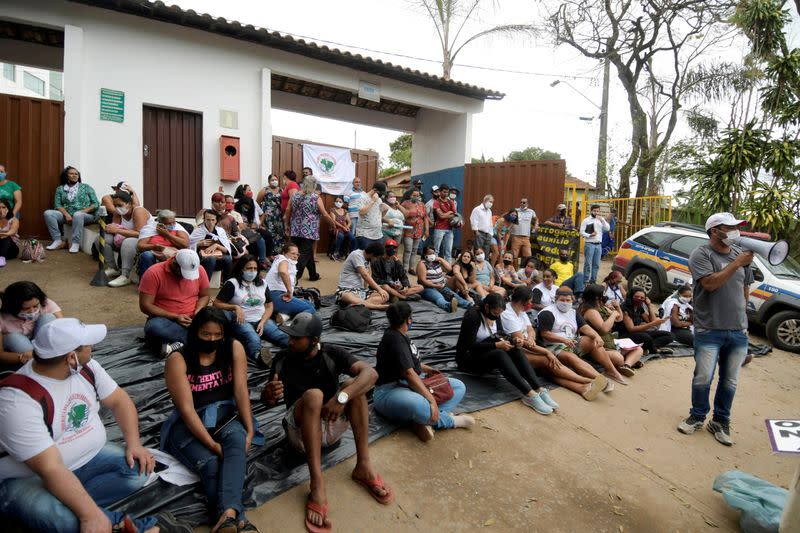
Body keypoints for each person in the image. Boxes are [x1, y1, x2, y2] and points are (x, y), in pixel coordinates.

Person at [0, 318, 187, 533]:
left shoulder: (86, 367)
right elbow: (49, 467)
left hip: (85, 461)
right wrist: (89, 515)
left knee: (139, 470)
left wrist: (134, 444)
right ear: (71, 357)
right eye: (88, 345)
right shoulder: (17, 402)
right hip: (27, 478)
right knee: (61, 520)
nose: (93, 348)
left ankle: (72, 503)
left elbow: (120, 401)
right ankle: (137, 526)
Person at [260, 312, 394, 532]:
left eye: (297, 338)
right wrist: (268, 394)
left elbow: (371, 374)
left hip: (329, 426)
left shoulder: (332, 353)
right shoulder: (282, 359)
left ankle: (364, 466)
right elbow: (268, 401)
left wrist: (343, 397)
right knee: (314, 395)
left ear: (314, 340)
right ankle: (317, 484)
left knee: (354, 387)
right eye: (290, 337)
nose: (290, 341)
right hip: (300, 435)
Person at [160, 308, 260, 533]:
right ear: (195, 332)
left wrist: (250, 429)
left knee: (237, 442)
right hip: (188, 425)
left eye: (217, 335)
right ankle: (239, 519)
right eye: (206, 334)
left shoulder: (233, 347)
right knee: (212, 463)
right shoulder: (178, 359)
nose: (212, 340)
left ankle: (228, 517)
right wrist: (212, 444)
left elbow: (241, 391)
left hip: (225, 416)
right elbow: (186, 410)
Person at [677, 212, 753, 446]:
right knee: (703, 377)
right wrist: (736, 263)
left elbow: (745, 287)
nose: (733, 231)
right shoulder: (701, 254)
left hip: (738, 330)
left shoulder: (741, 255)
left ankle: (720, 421)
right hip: (709, 328)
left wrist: (744, 321)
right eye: (727, 227)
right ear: (714, 231)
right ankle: (697, 416)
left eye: (735, 227)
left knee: (730, 380)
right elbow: (709, 284)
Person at [373, 302, 475, 441]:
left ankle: (425, 419)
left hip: (409, 385)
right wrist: (431, 400)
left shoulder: (401, 334)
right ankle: (450, 421)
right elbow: (408, 373)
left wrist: (427, 369)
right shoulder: (394, 339)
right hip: (388, 391)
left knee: (458, 386)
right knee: (420, 404)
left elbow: (408, 363)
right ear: (408, 319)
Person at [456, 293, 557, 414]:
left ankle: (538, 388)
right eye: (495, 313)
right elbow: (469, 346)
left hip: (485, 350)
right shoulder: (473, 317)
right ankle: (528, 394)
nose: (497, 316)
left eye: (499, 314)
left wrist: (513, 341)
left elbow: (499, 335)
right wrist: (496, 345)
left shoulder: (496, 315)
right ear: (487, 307)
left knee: (514, 349)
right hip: (468, 358)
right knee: (500, 353)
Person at [502, 287, 605, 401]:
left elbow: (530, 329)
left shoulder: (520, 310)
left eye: (568, 300)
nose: (531, 304)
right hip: (517, 350)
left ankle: (582, 388)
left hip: (529, 346)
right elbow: (522, 342)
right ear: (523, 301)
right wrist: (546, 352)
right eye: (530, 301)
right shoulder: (508, 314)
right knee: (548, 360)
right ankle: (586, 380)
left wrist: (531, 338)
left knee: (548, 372)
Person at [537, 286, 629, 386]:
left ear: (572, 299)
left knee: (592, 340)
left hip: (571, 342)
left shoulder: (573, 312)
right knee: (570, 357)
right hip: (554, 346)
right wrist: (563, 340)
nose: (565, 302)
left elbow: (585, 328)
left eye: (568, 300)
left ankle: (612, 372)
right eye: (562, 300)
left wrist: (596, 336)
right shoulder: (547, 312)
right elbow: (545, 334)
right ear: (556, 299)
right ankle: (599, 379)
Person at [213, 255, 289, 365]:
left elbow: (269, 306)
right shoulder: (232, 283)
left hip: (261, 318)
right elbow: (216, 303)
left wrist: (263, 322)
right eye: (248, 268)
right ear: (241, 269)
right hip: (241, 321)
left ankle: (300, 349)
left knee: (278, 335)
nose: (252, 271)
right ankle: (259, 357)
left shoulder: (262, 283)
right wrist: (235, 307)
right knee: (252, 337)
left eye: (255, 269)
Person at [139, 249, 211, 357]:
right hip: (166, 320)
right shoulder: (153, 272)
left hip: (193, 319)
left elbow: (205, 295)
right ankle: (198, 341)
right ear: (175, 264)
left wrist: (198, 311)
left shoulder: (199, 269)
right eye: (184, 273)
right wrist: (175, 316)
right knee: (154, 327)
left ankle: (182, 344)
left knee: (221, 318)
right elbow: (145, 305)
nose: (186, 277)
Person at [579, 284, 645, 374]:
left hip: (610, 343)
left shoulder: (601, 307)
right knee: (618, 358)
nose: (605, 297)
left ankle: (627, 365)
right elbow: (604, 328)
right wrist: (613, 314)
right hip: (599, 348)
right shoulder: (591, 311)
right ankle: (626, 362)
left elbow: (619, 319)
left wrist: (617, 308)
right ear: (596, 297)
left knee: (638, 349)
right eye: (603, 295)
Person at [0, 281, 63, 369]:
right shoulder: (2, 317)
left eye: (35, 306)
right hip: (19, 350)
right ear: (12, 307)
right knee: (13, 338)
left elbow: (64, 328)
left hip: (41, 343)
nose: (32, 311)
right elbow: (1, 354)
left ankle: (45, 359)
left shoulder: (45, 303)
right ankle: (42, 363)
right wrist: (22, 357)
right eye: (26, 308)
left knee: (48, 317)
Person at [98, 191, 152, 287]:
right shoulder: (117, 212)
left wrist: (117, 231)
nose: (117, 208)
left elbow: (141, 234)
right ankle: (113, 268)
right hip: (124, 239)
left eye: (120, 205)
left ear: (129, 204)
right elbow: (115, 230)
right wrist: (109, 229)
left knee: (128, 242)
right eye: (115, 205)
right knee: (100, 239)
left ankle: (125, 275)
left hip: (145, 241)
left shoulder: (138, 211)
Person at [44, 166, 99, 253]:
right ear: (66, 176)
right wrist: (67, 215)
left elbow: (96, 204)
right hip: (68, 216)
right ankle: (57, 240)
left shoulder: (86, 187)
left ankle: (75, 243)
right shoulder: (60, 189)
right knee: (48, 213)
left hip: (86, 216)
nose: (74, 175)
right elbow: (57, 205)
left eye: (76, 174)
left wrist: (83, 211)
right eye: (71, 173)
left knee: (78, 214)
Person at [616, 287, 675, 355]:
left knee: (670, 335)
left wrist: (649, 305)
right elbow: (631, 329)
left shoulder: (639, 307)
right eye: (636, 297)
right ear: (631, 296)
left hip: (639, 333)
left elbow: (652, 320)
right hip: (625, 335)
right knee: (646, 337)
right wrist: (652, 324)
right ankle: (654, 350)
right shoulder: (625, 308)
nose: (639, 299)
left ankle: (648, 348)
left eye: (642, 298)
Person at [265, 243, 316, 318]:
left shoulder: (283, 260)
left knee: (310, 303)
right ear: (284, 253)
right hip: (274, 296)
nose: (295, 256)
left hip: (276, 295)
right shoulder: (283, 259)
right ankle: (291, 325)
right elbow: (283, 272)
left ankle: (283, 316)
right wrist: (289, 291)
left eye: (297, 254)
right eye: (292, 253)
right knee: (310, 309)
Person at [336, 242, 390, 310]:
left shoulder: (367, 260)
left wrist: (367, 290)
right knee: (347, 296)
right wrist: (379, 289)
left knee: (386, 296)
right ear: (372, 254)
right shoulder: (356, 255)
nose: (376, 260)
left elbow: (366, 278)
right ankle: (375, 306)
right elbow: (365, 275)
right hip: (347, 289)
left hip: (360, 291)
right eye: (377, 258)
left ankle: (359, 305)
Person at [416, 246, 471, 313]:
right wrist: (435, 286)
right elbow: (422, 280)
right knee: (438, 297)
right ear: (425, 255)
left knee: (454, 295)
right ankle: (448, 306)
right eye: (430, 254)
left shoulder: (436, 262)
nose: (432, 255)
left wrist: (441, 259)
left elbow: (450, 269)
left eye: (433, 253)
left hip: (441, 286)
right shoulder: (422, 264)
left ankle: (469, 305)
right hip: (428, 288)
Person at [137, 209, 190, 277]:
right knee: (146, 255)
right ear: (160, 222)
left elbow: (185, 244)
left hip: (172, 254)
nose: (172, 225)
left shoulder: (178, 228)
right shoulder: (150, 228)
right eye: (168, 223)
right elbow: (140, 245)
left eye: (173, 222)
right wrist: (153, 246)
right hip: (154, 253)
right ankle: (146, 282)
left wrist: (167, 235)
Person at [190, 209, 234, 282]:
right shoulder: (198, 231)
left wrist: (217, 245)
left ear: (216, 220)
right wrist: (198, 244)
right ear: (204, 220)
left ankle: (226, 282)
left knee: (228, 258)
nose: (210, 222)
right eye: (208, 220)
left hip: (218, 258)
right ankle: (205, 285)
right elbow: (189, 245)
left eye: (213, 220)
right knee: (210, 259)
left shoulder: (220, 231)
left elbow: (227, 250)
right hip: (202, 260)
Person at [579, 204, 610, 284]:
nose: (596, 212)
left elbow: (607, 228)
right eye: (594, 211)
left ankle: (593, 280)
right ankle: (586, 280)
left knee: (596, 264)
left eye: (597, 211)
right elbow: (581, 232)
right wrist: (589, 235)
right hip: (589, 244)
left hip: (598, 245)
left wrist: (602, 220)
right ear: (591, 211)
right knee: (588, 264)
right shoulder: (586, 220)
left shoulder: (601, 220)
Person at [352, 180, 387, 250]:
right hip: (365, 235)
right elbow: (361, 212)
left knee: (377, 258)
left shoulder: (379, 199)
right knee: (365, 258)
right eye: (381, 193)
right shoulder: (362, 197)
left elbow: (380, 215)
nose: (382, 195)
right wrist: (373, 201)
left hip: (378, 234)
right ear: (375, 190)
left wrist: (385, 210)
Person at [400, 187, 428, 274]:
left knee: (414, 250)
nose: (416, 196)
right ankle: (404, 268)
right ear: (410, 195)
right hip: (408, 230)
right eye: (414, 195)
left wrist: (427, 230)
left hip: (419, 231)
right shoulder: (405, 203)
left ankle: (411, 268)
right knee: (408, 249)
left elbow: (425, 217)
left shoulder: (422, 205)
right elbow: (400, 215)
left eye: (418, 195)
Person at [257, 173, 285, 255]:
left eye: (276, 179)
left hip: (278, 217)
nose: (274, 181)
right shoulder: (264, 190)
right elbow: (257, 204)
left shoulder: (281, 190)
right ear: (269, 181)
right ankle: (269, 254)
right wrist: (260, 218)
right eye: (272, 180)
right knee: (269, 235)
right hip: (267, 219)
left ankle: (278, 254)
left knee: (279, 235)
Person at [432, 184, 457, 263]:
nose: (446, 194)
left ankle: (448, 268)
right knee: (436, 250)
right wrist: (449, 212)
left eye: (447, 192)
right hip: (439, 228)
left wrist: (447, 214)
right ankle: (434, 266)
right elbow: (441, 216)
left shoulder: (451, 202)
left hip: (449, 229)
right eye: (444, 192)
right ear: (439, 192)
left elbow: (455, 215)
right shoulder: (436, 202)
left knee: (448, 251)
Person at [511, 197, 538, 268]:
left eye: (524, 202)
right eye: (521, 202)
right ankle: (516, 271)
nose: (522, 203)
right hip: (516, 236)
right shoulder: (516, 210)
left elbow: (536, 219)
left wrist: (536, 226)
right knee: (515, 256)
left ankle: (525, 271)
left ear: (527, 204)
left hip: (526, 237)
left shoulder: (531, 211)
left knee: (528, 256)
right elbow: (507, 216)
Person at [344, 177, 365, 250]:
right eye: (356, 182)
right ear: (353, 183)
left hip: (361, 216)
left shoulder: (364, 193)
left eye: (359, 182)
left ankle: (358, 250)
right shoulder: (348, 192)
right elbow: (345, 205)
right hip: (352, 216)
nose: (358, 183)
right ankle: (351, 251)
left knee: (360, 234)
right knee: (352, 234)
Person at [329, 196, 352, 261]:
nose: (338, 203)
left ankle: (349, 253)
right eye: (337, 201)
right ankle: (336, 253)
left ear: (343, 203)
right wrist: (343, 227)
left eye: (340, 201)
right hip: (336, 228)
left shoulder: (345, 211)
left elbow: (349, 221)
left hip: (344, 228)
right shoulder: (332, 210)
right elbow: (334, 221)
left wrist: (347, 227)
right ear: (334, 202)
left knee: (352, 237)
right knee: (341, 236)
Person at [0, 199, 20, 266]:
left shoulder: (14, 220)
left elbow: (13, 230)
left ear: (8, 209)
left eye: (3, 207)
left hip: (11, 249)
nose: (1, 210)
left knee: (5, 237)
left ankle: (1, 259)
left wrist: (5, 234)